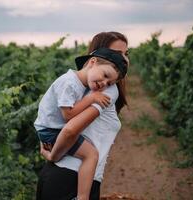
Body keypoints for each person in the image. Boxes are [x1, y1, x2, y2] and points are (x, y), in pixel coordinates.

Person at [36, 31, 129, 200]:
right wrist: (53, 155)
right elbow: (69, 128)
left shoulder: (91, 84)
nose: (125, 59)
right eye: (118, 53)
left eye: (126, 53)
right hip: (70, 178)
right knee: (91, 155)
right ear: (95, 58)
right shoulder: (102, 90)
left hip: (62, 174)